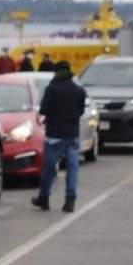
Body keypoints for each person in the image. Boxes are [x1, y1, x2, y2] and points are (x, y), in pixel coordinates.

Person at [31, 61, 87, 213]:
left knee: (48, 168)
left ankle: (44, 198)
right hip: (72, 135)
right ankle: (70, 200)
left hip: (54, 135)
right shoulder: (79, 91)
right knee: (72, 168)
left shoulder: (52, 89)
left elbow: (44, 110)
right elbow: (81, 111)